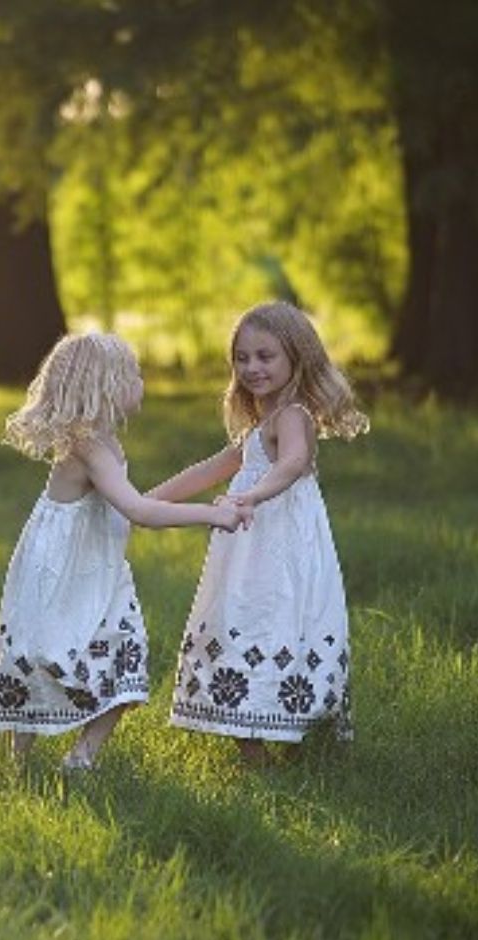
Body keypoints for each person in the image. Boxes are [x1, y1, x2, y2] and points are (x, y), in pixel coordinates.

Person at [0, 332, 248, 771]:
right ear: (108, 384)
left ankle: (71, 757)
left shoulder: (100, 441)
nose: (142, 382)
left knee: (118, 655)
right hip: (68, 573)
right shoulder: (89, 445)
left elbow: (133, 505)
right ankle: (32, 760)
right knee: (52, 657)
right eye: (136, 374)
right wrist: (210, 514)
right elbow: (139, 511)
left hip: (91, 570)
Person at [149, 301, 368, 765]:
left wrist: (252, 496)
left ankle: (280, 742)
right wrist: (143, 501)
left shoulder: (294, 416)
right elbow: (211, 468)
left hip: (279, 549)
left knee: (272, 623)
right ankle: (259, 748)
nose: (252, 367)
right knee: (241, 623)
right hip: (249, 551)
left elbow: (291, 464)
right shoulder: (259, 425)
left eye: (265, 356)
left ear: (296, 357)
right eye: (242, 358)